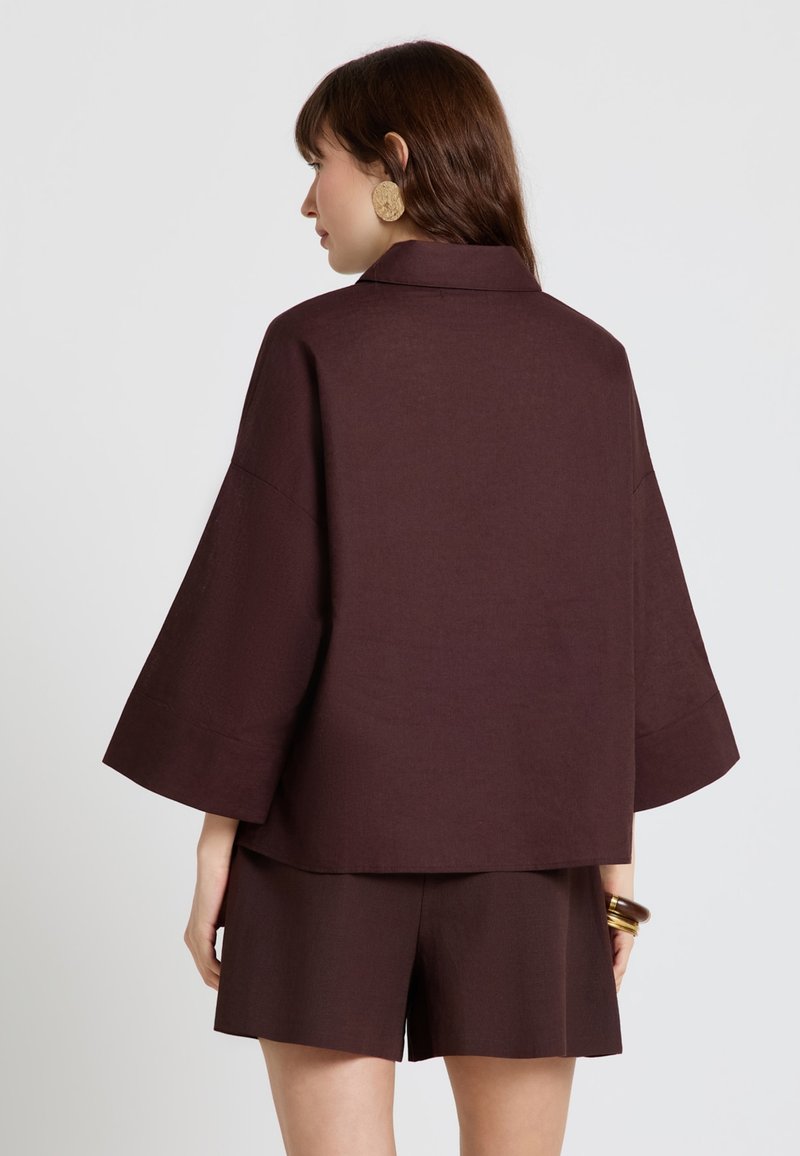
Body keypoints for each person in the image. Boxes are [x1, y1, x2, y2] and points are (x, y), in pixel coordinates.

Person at [102, 39, 740, 1156]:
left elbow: (259, 610)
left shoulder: (312, 346)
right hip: (535, 855)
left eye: (321, 163)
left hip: (322, 848)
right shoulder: (589, 362)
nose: (307, 200)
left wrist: (214, 845)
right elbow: (614, 626)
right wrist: (612, 867)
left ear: (393, 161)